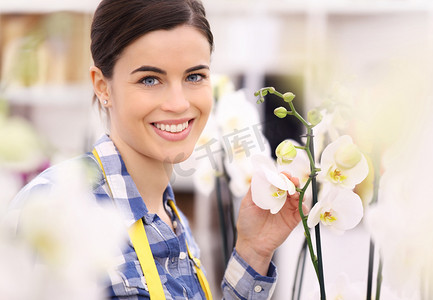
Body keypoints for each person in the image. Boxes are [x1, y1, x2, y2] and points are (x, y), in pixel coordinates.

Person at [12, 0, 303, 299]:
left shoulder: (172, 221)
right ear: (102, 86)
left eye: (194, 77)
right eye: (150, 80)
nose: (178, 103)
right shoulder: (56, 205)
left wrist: (253, 252)